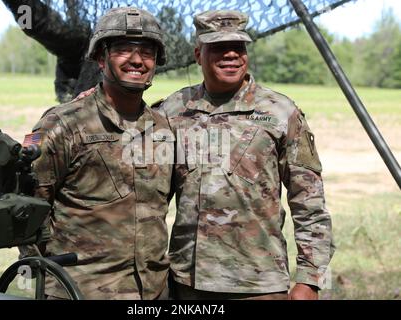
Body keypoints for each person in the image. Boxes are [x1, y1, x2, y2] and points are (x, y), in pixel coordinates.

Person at [153, 10, 335, 300]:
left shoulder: (280, 112)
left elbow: (309, 200)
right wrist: (96, 96)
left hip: (258, 283)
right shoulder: (172, 111)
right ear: (199, 54)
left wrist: (310, 279)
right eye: (218, 48)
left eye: (238, 48)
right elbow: (145, 189)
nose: (231, 55)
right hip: (187, 282)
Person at [24, 7, 174, 300]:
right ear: (100, 59)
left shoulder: (162, 127)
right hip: (80, 291)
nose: (136, 60)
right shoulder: (61, 124)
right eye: (123, 49)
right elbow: (29, 209)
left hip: (153, 292)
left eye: (146, 51)